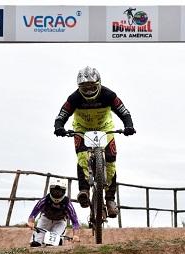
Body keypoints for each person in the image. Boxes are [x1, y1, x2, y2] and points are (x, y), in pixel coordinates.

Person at [53, 66, 136, 218]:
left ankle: (110, 200)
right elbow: (62, 115)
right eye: (85, 87)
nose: (89, 91)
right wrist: (59, 127)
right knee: (82, 157)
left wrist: (128, 126)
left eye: (92, 87)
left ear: (99, 84)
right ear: (79, 88)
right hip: (82, 129)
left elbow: (124, 112)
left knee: (111, 162)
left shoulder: (109, 95)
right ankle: (84, 190)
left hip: (105, 129)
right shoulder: (74, 98)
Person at [27, 178, 80, 247]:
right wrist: (31, 222)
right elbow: (34, 212)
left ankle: (59, 241)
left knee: (53, 242)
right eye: (55, 191)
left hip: (60, 222)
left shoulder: (67, 204)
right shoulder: (45, 200)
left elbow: (75, 221)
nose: (57, 193)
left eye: (59, 191)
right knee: (36, 242)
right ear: (51, 190)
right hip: (45, 220)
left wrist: (75, 235)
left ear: (64, 191)